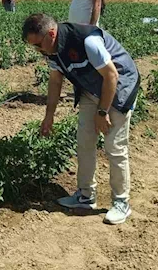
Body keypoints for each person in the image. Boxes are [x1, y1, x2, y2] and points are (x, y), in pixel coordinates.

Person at [22, 13, 139, 224]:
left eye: (38, 45)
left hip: (119, 86)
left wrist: (102, 113)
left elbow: (112, 75)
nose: (37, 51)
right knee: (84, 141)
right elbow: (55, 83)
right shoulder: (51, 50)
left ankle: (121, 202)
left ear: (51, 34)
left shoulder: (88, 41)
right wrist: (49, 116)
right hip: (90, 89)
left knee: (114, 146)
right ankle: (86, 196)